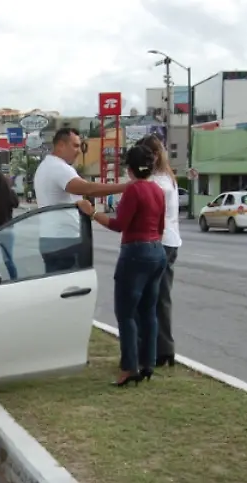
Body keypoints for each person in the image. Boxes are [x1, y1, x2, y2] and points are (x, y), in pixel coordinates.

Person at [79, 145, 166, 386]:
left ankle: (129, 367)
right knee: (148, 311)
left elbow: (119, 225)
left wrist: (92, 212)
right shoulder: (157, 190)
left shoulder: (134, 190)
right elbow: (160, 227)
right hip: (157, 251)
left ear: (129, 169)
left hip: (135, 252)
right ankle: (148, 362)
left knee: (126, 313)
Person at [33, 127, 131, 273]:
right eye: (75, 145)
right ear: (60, 145)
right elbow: (88, 189)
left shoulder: (46, 166)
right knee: (69, 289)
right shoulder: (58, 168)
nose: (79, 150)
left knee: (58, 286)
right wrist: (126, 187)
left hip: (52, 238)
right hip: (63, 241)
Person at [137, 134, 182, 368]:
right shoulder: (168, 178)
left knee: (152, 299)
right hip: (170, 241)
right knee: (160, 298)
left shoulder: (155, 182)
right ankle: (163, 349)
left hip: (159, 242)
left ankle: (159, 350)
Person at [0, 170, 19, 278]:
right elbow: (16, 204)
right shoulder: (9, 192)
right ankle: (14, 279)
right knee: (8, 259)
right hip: (8, 229)